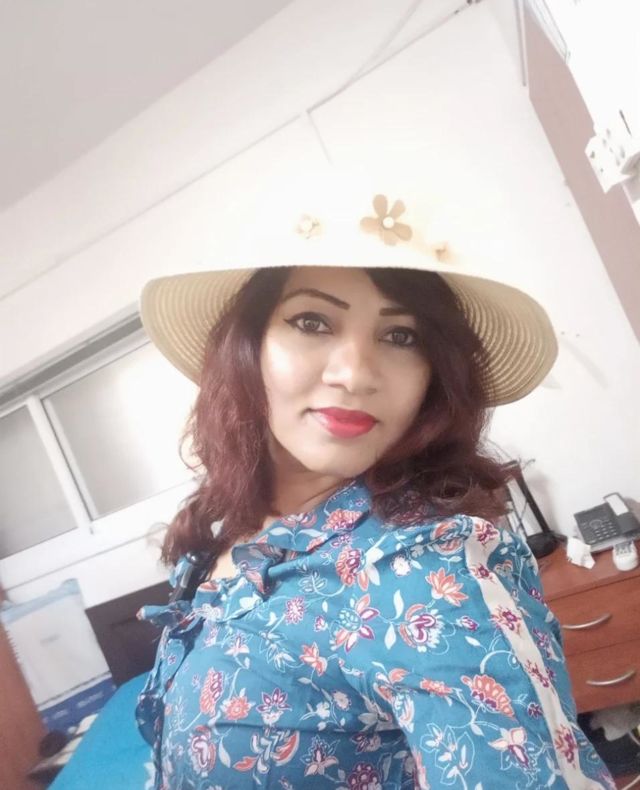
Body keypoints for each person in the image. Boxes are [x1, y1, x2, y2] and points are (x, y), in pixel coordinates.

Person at [134, 171, 615, 789]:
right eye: (313, 322)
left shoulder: (428, 571)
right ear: (248, 347)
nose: (356, 373)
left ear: (433, 376)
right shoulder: (230, 535)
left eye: (399, 336)